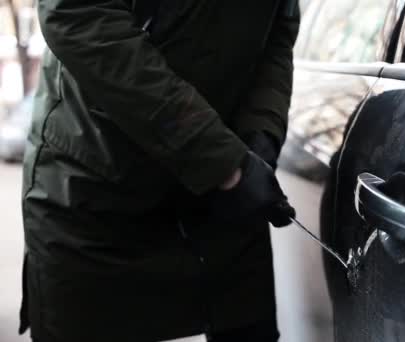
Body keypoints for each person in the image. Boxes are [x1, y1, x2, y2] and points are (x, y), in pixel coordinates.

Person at [19, 0, 300, 341]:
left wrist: (261, 136)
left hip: (221, 195)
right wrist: (220, 159)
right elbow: (76, 15)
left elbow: (277, 34)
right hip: (96, 186)